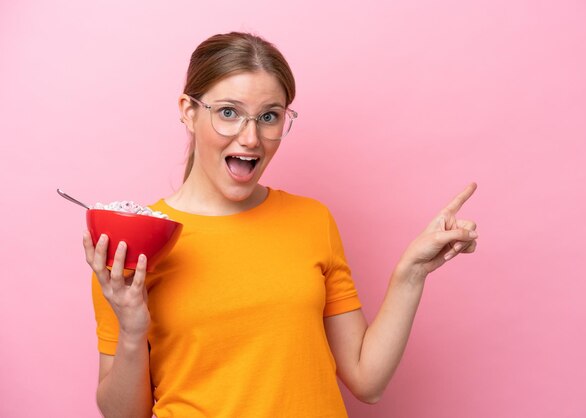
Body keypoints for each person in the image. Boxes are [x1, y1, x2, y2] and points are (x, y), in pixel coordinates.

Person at [85, 32, 478, 418]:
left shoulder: (311, 220)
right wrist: (133, 331)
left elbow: (367, 381)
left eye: (269, 116)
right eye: (228, 112)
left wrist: (412, 273)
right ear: (188, 110)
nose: (251, 137)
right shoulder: (133, 244)